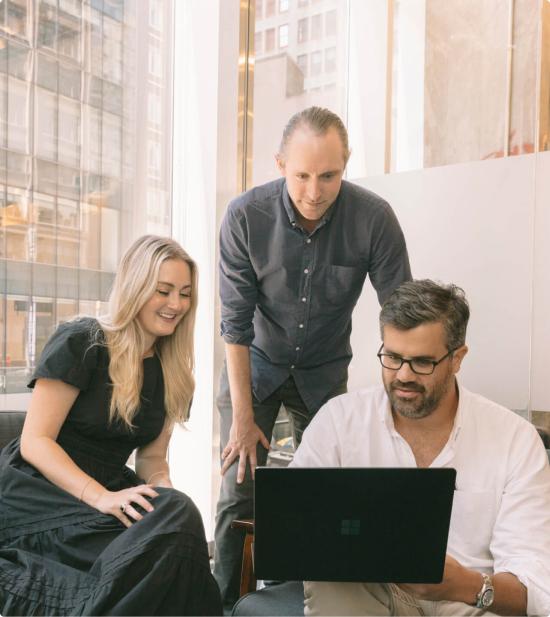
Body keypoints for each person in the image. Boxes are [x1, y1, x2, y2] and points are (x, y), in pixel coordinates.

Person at [214, 106, 412, 605]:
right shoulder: (244, 216)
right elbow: (234, 327)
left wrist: (403, 394)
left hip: (323, 373)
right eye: (301, 175)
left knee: (324, 494)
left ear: (346, 165)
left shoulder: (373, 218)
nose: (314, 191)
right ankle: (221, 605)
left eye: (329, 175)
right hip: (253, 369)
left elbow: (404, 315)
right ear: (281, 164)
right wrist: (242, 419)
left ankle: (305, 600)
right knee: (241, 491)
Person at [291, 279, 550, 616]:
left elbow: (534, 591)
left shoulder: (515, 440)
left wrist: (464, 585)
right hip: (369, 597)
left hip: (467, 604)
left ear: (458, 358)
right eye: (392, 357)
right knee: (332, 584)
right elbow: (294, 526)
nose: (403, 375)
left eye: (422, 362)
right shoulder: (339, 421)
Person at [0, 235, 222, 616]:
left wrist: (160, 492)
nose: (176, 304)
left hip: (111, 494)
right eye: (163, 290)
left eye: (185, 294)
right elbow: (35, 442)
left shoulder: (175, 372)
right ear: (135, 288)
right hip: (41, 494)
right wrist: (100, 497)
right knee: (173, 548)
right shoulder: (82, 341)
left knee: (175, 517)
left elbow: (151, 459)